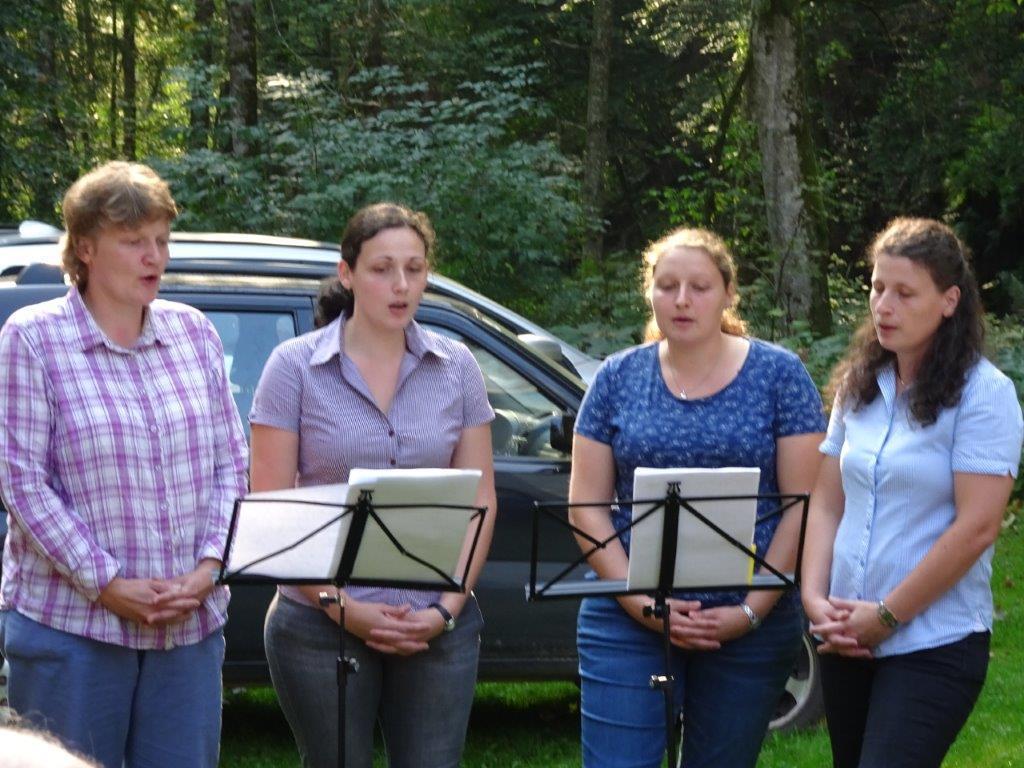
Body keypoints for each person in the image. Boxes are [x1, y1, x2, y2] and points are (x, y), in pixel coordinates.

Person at [0, 161, 248, 768]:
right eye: (134, 240)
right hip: (72, 630)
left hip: (187, 630)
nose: (153, 256)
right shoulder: (32, 338)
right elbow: (22, 484)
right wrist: (107, 584)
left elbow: (231, 465)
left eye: (161, 239)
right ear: (84, 248)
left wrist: (209, 567)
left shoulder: (194, 334)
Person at [249, 202, 497, 768]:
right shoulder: (293, 366)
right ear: (348, 273)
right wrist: (340, 606)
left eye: (414, 268)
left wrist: (446, 610)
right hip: (318, 624)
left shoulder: (457, 365)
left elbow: (481, 499)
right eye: (382, 268)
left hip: (436, 621)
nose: (401, 284)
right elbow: (271, 506)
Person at [568, 227, 826, 767]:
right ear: (650, 293)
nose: (681, 300)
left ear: (729, 293)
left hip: (751, 621)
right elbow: (586, 508)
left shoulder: (780, 375)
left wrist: (751, 611)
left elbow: (801, 507)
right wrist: (641, 604)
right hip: (627, 615)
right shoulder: (616, 377)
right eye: (667, 286)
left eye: (699, 287)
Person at [802, 217, 1023, 768]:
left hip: (933, 643)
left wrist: (886, 616)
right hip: (843, 634)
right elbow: (826, 502)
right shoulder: (859, 386)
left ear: (949, 301)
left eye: (904, 293)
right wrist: (814, 599)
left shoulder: (985, 394)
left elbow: (977, 528)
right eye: (878, 288)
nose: (884, 306)